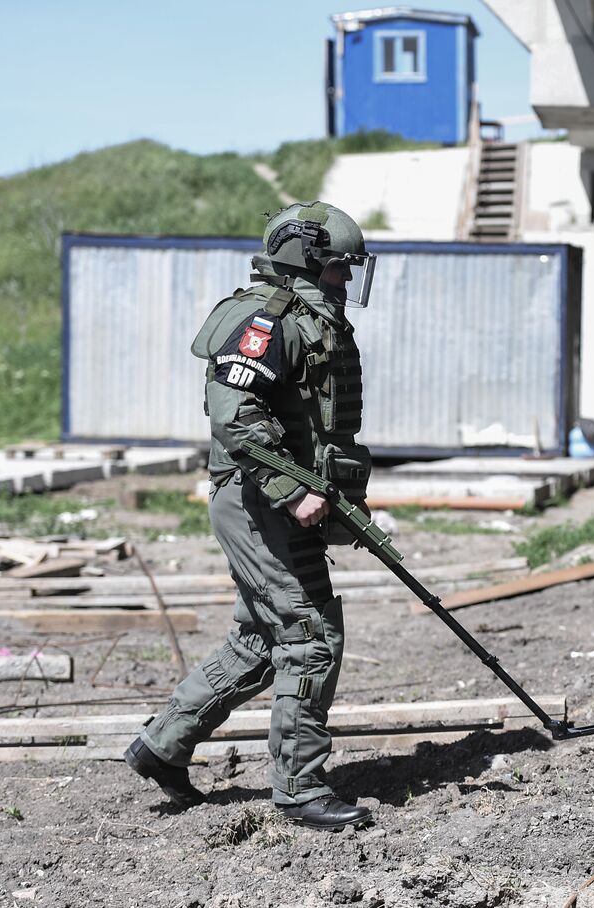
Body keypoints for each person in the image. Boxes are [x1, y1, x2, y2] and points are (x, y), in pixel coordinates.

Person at [125, 202, 377, 829]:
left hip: (277, 495)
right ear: (305, 259)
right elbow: (235, 415)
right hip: (258, 498)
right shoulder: (262, 320)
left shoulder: (307, 318)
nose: (345, 282)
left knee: (262, 639)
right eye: (339, 269)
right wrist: (291, 489)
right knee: (311, 633)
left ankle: (163, 745)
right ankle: (300, 787)